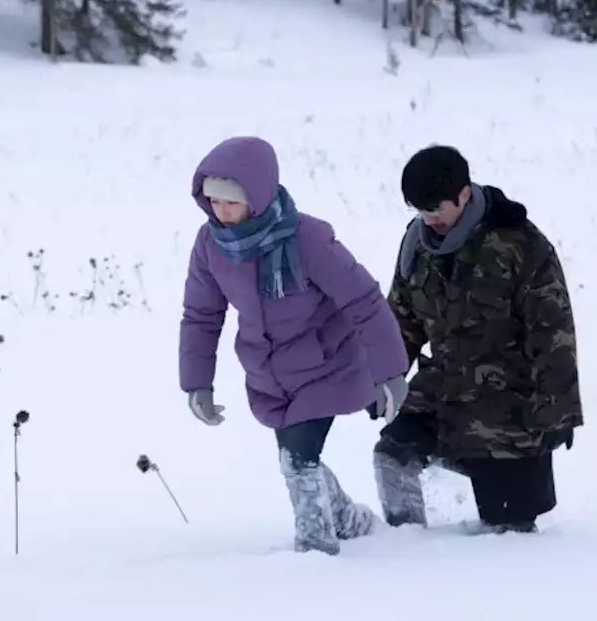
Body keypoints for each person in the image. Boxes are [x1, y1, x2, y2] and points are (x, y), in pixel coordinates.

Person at [178, 136, 410, 556]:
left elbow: (364, 301)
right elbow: (201, 316)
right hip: (270, 374)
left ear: (259, 195)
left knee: (298, 460)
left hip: (330, 364)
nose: (221, 212)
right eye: (213, 201)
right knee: (297, 457)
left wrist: (391, 373)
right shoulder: (211, 245)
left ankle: (316, 547)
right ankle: (348, 519)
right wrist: (198, 383)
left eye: (232, 202)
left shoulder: (308, 239)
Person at [374, 145, 582, 534]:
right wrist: (382, 377)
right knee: (392, 457)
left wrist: (558, 409)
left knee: (509, 530)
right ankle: (406, 549)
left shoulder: (520, 244)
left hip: (508, 412)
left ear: (464, 194)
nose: (428, 219)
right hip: (440, 393)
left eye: (436, 209)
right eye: (420, 210)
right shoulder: (416, 245)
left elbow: (553, 332)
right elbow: (401, 319)